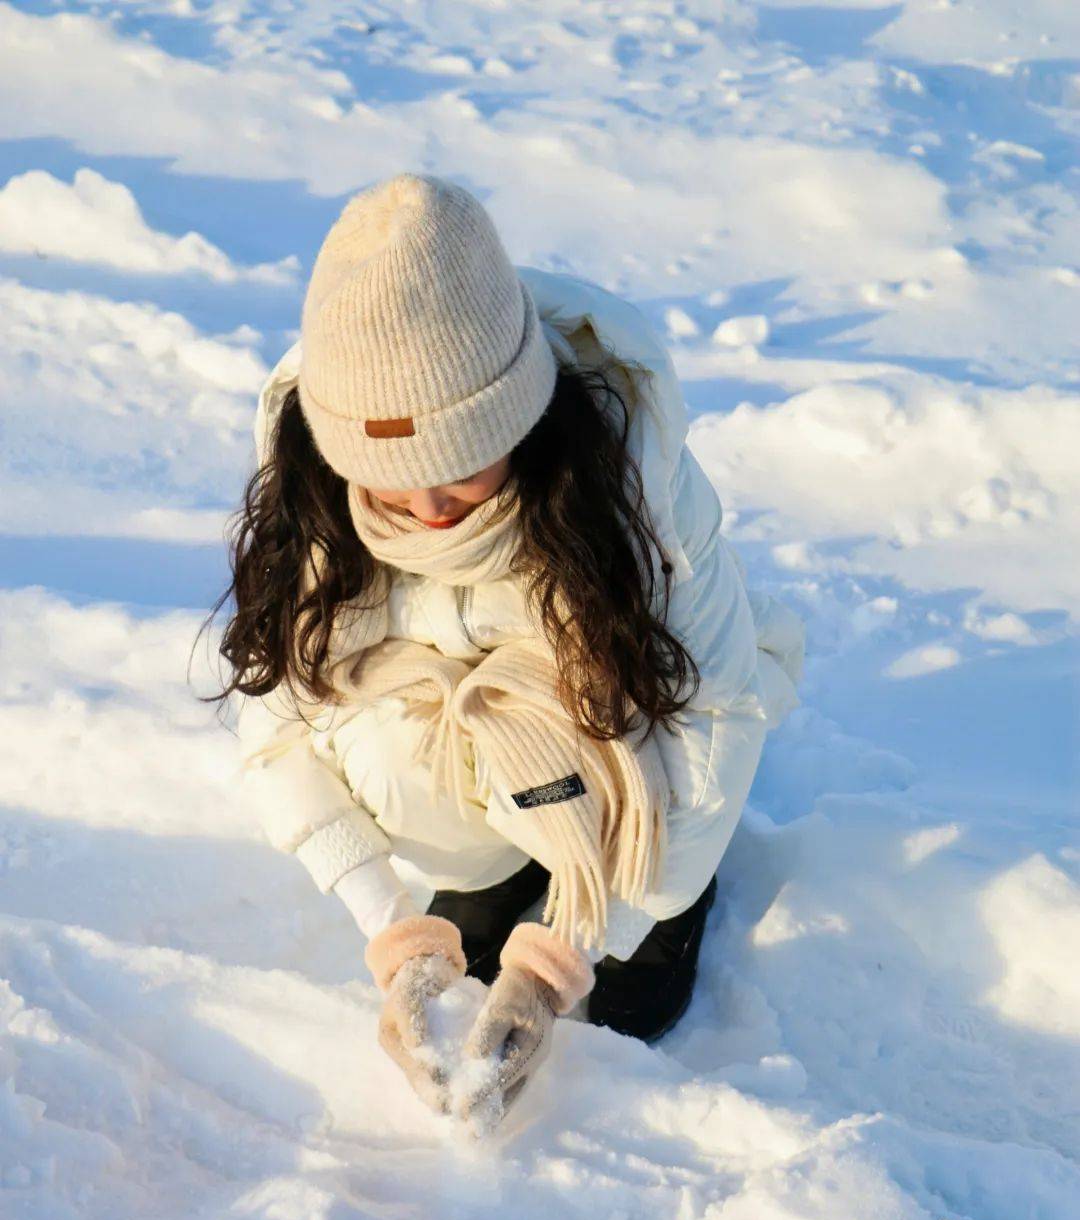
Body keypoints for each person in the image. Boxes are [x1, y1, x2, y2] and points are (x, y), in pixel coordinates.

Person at [207, 172, 804, 1122]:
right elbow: (277, 729)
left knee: (620, 724)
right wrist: (394, 931)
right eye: (391, 487)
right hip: (484, 747)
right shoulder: (318, 485)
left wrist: (586, 941)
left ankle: (635, 879)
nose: (429, 511)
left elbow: (714, 713)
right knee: (373, 730)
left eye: (458, 474)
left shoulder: (627, 478)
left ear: (524, 420)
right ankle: (498, 866)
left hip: (608, 731)